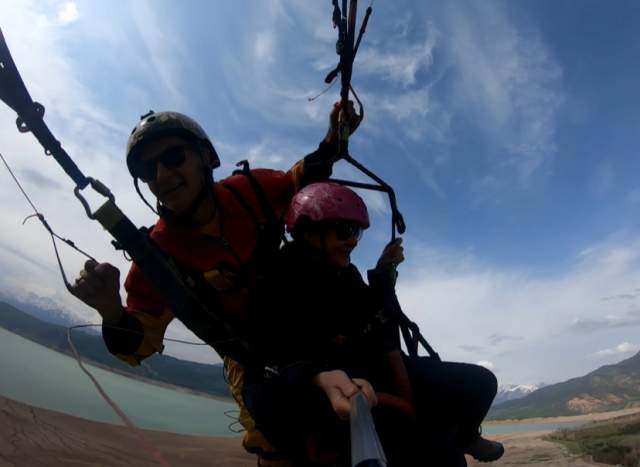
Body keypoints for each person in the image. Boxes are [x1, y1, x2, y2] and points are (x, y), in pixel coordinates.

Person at [70, 104, 361, 463]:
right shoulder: (157, 259)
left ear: (206, 157)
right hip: (250, 359)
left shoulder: (248, 192)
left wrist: (335, 138)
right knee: (276, 441)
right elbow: (137, 345)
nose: (161, 175)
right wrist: (110, 309)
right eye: (148, 170)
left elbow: (299, 181)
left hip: (301, 320)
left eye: (173, 157)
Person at [242, 182, 505, 466]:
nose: (353, 241)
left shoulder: (345, 274)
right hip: (336, 402)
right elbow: (265, 365)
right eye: (344, 230)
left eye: (357, 232)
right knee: (444, 456)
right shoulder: (277, 280)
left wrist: (382, 272)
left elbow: (373, 311)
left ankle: (465, 436)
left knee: (481, 383)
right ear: (309, 230)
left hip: (378, 372)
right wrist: (314, 378)